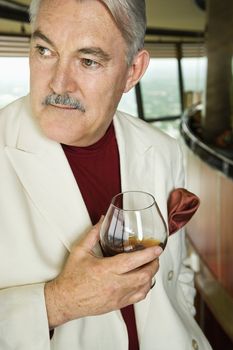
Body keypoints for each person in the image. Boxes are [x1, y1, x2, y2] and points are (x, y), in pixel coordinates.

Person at [0, 0, 212, 349]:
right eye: (44, 50)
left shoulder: (164, 149)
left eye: (88, 61)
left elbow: (177, 275)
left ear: (133, 71)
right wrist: (57, 303)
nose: (59, 84)